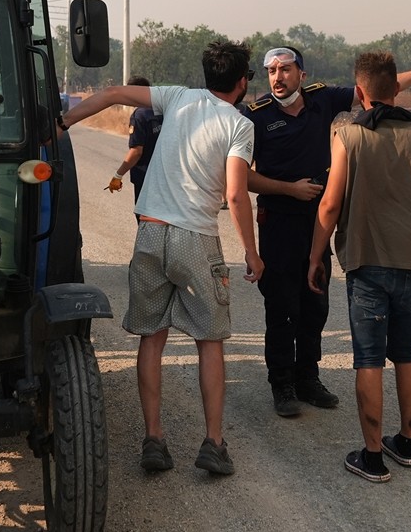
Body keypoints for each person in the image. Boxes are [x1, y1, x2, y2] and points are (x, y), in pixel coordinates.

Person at [59, 40, 264, 476]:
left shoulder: (179, 97)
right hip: (195, 237)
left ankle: (154, 438)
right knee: (209, 340)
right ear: (243, 81)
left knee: (152, 337)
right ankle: (213, 442)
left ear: (207, 76)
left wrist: (64, 122)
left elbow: (112, 93)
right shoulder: (239, 125)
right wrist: (251, 251)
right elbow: (234, 193)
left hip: (149, 231)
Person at [244, 44, 411, 417]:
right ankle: (282, 383)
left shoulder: (321, 100)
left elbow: (377, 90)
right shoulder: (255, 116)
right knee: (281, 307)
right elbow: (241, 176)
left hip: (318, 225)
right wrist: (288, 189)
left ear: (302, 74)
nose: (277, 78)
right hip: (278, 222)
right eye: (271, 71)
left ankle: (308, 377)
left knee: (315, 306)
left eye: (285, 70)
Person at [306, 51, 411, 482]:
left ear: (360, 93)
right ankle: (407, 443)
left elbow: (330, 204)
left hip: (367, 263)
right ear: (396, 88)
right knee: (406, 355)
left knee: (368, 359)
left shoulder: (349, 138)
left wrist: (315, 256)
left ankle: (372, 456)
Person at [107, 77, 163, 213]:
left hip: (145, 178)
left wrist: (118, 175)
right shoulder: (162, 110)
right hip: (165, 177)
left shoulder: (140, 116)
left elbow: (136, 152)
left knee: (145, 219)